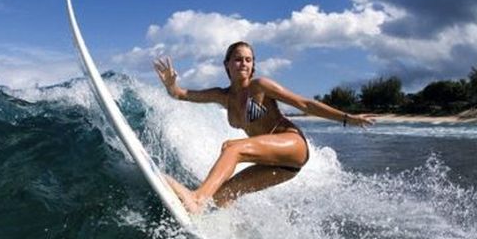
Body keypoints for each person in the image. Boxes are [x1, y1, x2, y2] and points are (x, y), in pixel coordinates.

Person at [154, 41, 374, 214]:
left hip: (292, 144)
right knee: (224, 194)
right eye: (238, 59)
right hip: (281, 166)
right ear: (227, 64)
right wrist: (172, 86)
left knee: (232, 147)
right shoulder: (223, 96)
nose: (243, 64)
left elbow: (304, 104)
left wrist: (347, 118)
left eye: (248, 60)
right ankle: (230, 231)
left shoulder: (260, 87)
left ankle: (197, 199)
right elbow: (181, 94)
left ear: (253, 65)